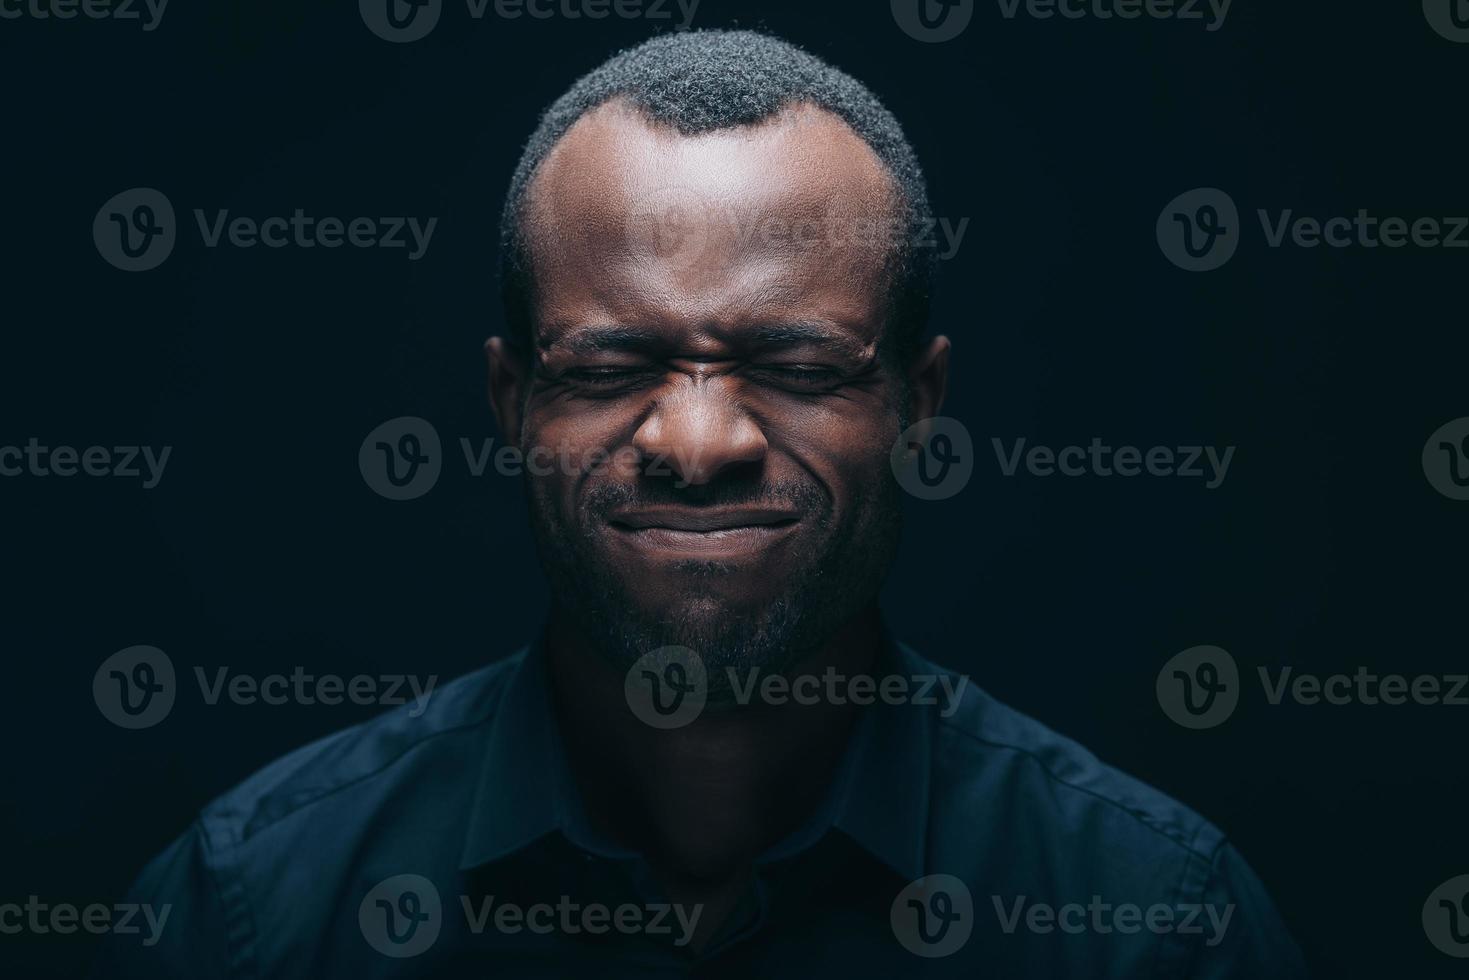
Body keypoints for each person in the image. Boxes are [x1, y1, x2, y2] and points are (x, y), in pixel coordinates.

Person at [93, 29, 1307, 978]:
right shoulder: (252, 918)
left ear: (916, 403)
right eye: (613, 366)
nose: (699, 438)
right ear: (512, 403)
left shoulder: (1151, 929)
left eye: (792, 365)